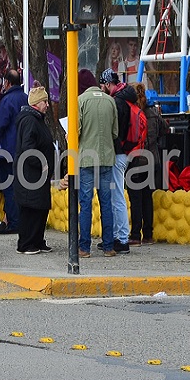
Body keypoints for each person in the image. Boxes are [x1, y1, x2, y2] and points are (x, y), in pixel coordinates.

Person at [77, 69, 117, 257]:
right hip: (107, 159)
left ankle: (84, 248)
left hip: (86, 160)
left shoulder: (81, 101)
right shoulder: (110, 101)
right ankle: (108, 246)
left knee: (86, 203)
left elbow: (76, 131)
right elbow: (115, 133)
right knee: (106, 203)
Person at [12, 86, 57, 254]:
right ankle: (26, 243)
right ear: (37, 104)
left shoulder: (37, 119)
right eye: (45, 101)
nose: (47, 105)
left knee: (40, 207)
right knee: (31, 208)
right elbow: (28, 148)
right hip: (30, 174)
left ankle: (37, 240)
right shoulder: (30, 121)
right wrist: (43, 165)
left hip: (37, 174)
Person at [100, 68, 137, 254]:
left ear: (108, 84)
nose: (101, 89)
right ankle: (117, 236)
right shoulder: (126, 98)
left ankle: (121, 239)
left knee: (117, 197)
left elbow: (115, 131)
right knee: (117, 196)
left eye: (102, 85)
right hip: (125, 152)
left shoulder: (117, 102)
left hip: (118, 153)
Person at [127, 83, 167, 245]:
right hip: (152, 160)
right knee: (147, 197)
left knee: (135, 198)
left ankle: (135, 235)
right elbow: (164, 129)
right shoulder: (153, 112)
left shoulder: (133, 113)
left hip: (137, 161)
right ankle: (148, 234)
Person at [0, 69, 27, 234]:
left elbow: (0, 125)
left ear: (7, 82)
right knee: (22, 186)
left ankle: (13, 223)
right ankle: (19, 220)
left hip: (7, 152)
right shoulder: (26, 98)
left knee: (9, 187)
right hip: (25, 151)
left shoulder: (7, 101)